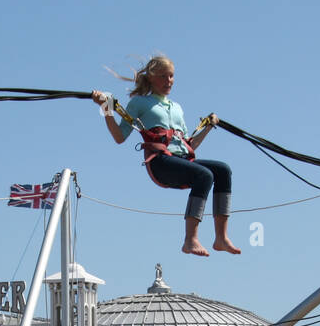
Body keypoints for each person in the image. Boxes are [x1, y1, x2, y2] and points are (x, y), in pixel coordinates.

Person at [92, 56, 240, 258]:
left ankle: (221, 238)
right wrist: (106, 109)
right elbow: (120, 137)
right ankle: (190, 240)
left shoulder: (177, 108)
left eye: (171, 76)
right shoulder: (139, 103)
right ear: (152, 78)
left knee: (223, 170)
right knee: (205, 175)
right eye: (163, 76)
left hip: (182, 160)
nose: (169, 80)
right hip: (160, 163)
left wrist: (208, 127)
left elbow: (190, 145)